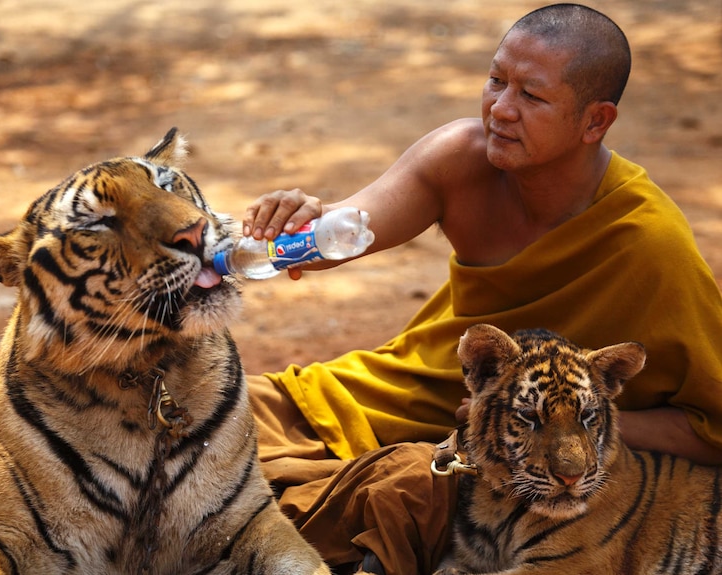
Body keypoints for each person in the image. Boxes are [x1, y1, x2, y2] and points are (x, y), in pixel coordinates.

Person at [241, 4, 722, 574]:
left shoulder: (649, 243)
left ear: (595, 121)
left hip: (484, 461)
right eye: (496, 80)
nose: (500, 109)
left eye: (532, 97)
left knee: (395, 500)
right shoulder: (460, 159)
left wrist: (559, 420)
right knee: (195, 416)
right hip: (367, 400)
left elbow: (711, 433)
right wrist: (303, 220)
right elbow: (346, 230)